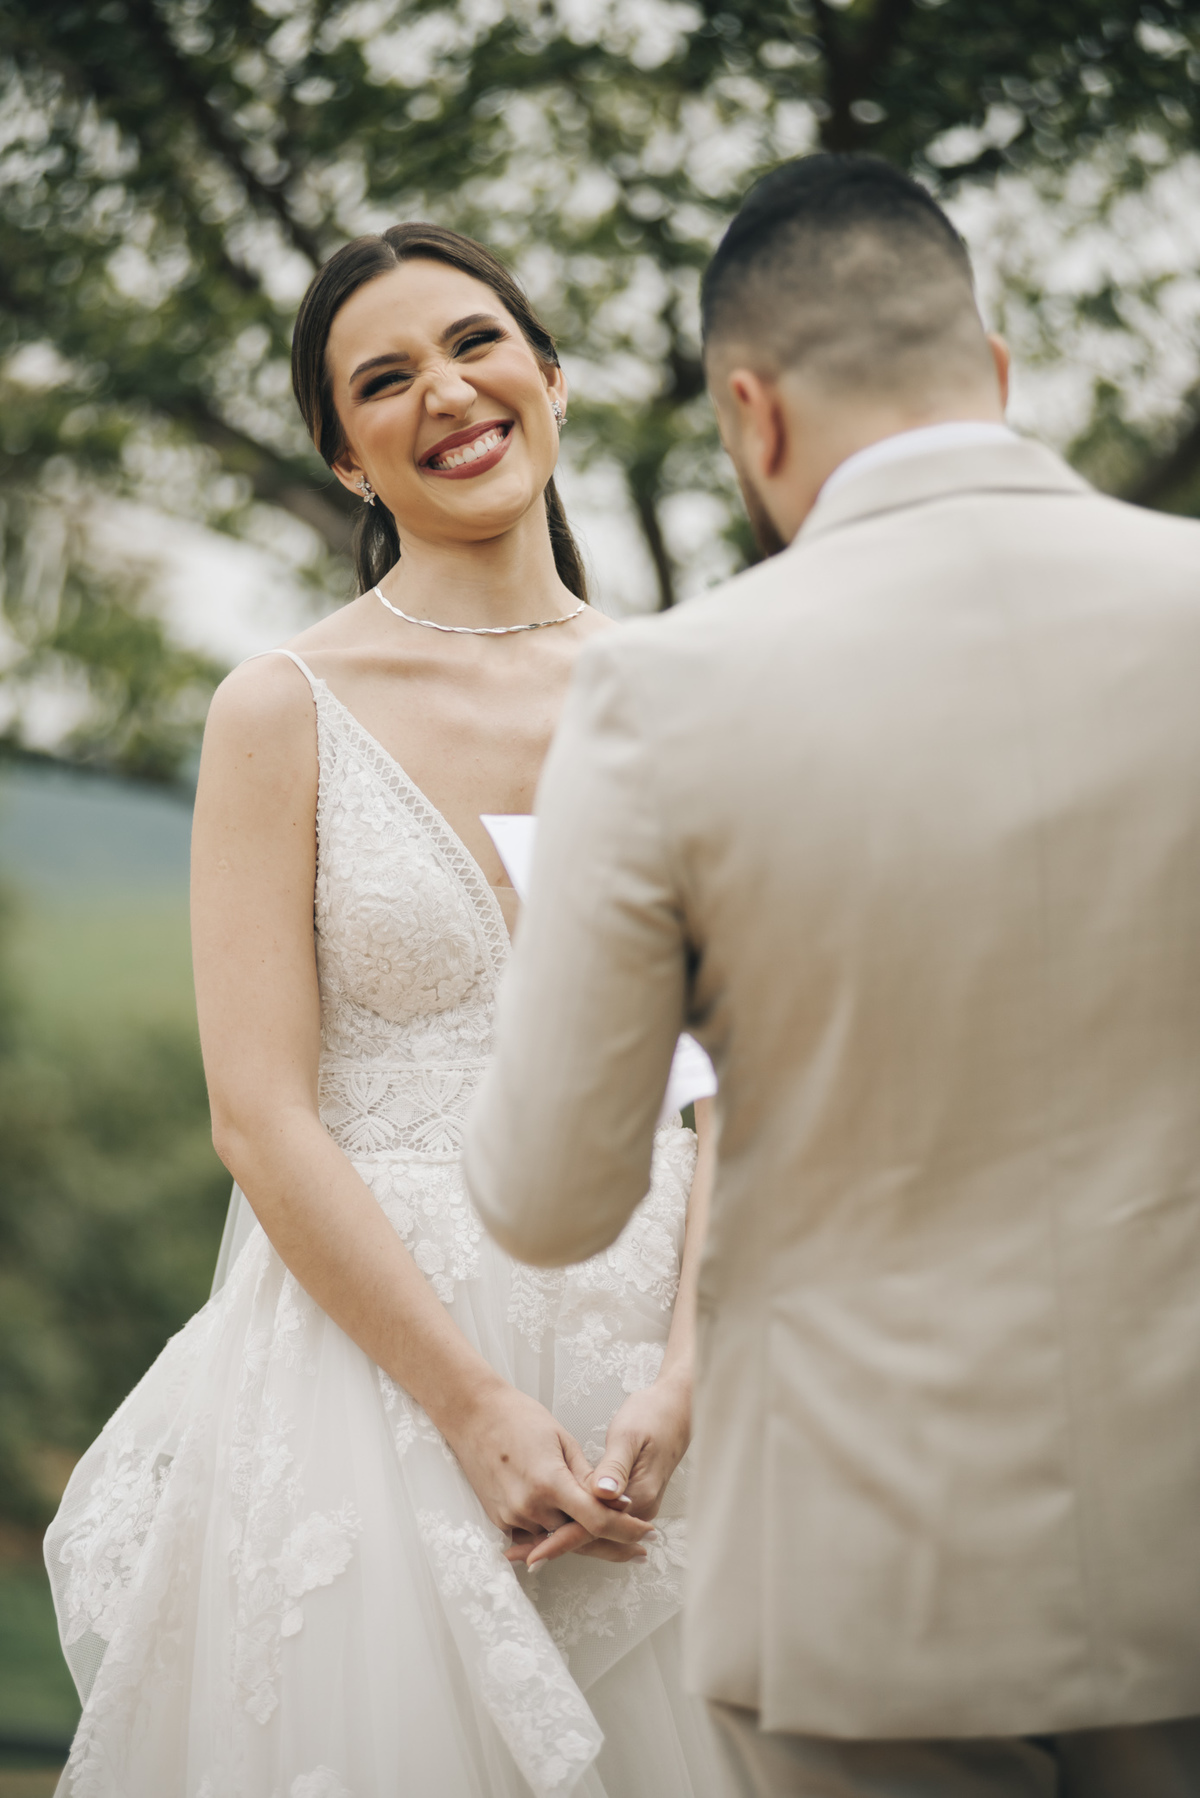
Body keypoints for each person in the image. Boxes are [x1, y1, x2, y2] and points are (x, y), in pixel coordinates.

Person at [463, 153, 1200, 1797]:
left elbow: (551, 1193)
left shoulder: (666, 697)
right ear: (996, 375)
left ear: (752, 414)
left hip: (871, 1576)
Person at [44, 223, 730, 1798]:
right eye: (386, 376)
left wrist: (693, 1372)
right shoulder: (282, 706)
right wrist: (474, 1405)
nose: (449, 390)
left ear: (550, 380)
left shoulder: (690, 694)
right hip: (379, 1385)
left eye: (479, 343)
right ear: (346, 458)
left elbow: (736, 1082)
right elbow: (260, 1113)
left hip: (668, 1367)